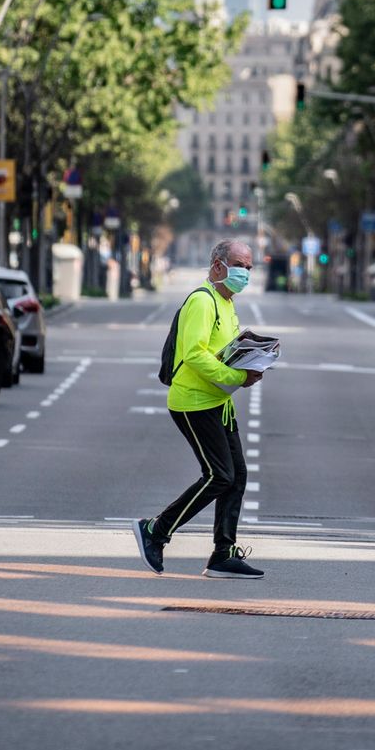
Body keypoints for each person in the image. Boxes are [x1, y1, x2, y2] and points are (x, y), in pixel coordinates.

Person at [134, 239, 265, 578]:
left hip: (218, 402)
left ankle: (223, 553)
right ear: (218, 265)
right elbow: (194, 354)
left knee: (237, 477)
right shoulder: (202, 301)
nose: (245, 273)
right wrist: (237, 374)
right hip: (193, 403)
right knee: (219, 475)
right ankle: (155, 531)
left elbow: (221, 350)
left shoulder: (227, 302)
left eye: (249, 267)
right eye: (240, 265)